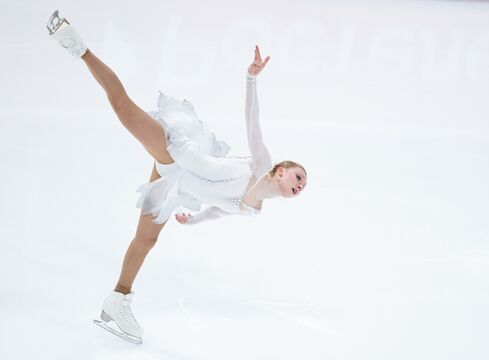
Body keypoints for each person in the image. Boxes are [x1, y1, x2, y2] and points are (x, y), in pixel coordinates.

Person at [47, 10, 308, 344]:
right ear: (282, 171)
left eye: (303, 186)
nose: (299, 186)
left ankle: (118, 299)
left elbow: (219, 208)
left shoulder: (254, 209)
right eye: (298, 178)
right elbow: (251, 119)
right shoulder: (262, 165)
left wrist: (194, 219)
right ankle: (79, 48)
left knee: (147, 240)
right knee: (125, 109)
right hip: (178, 154)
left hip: (175, 183)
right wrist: (251, 78)